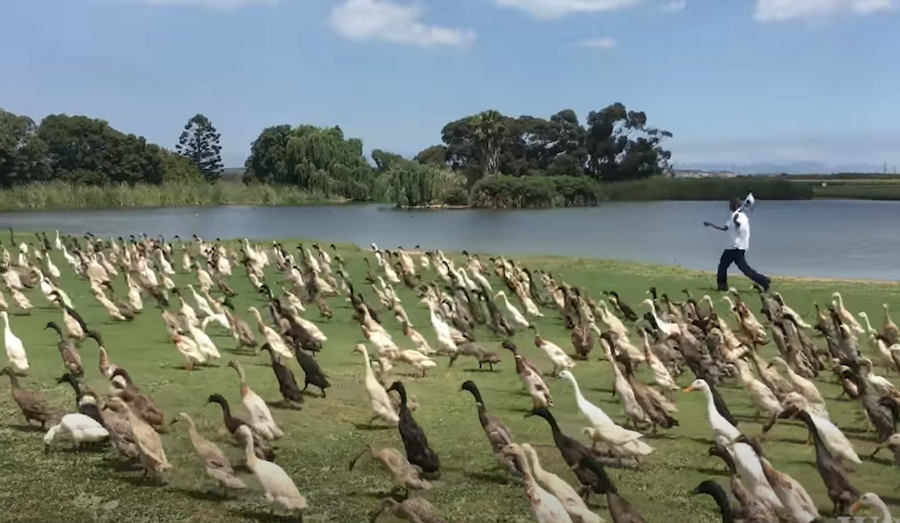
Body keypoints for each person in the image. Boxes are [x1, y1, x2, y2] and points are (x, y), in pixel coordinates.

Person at [703, 197, 770, 292]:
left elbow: (739, 227)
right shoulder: (733, 216)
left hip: (738, 248)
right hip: (733, 248)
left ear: (734, 205)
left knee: (744, 269)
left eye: (731, 204)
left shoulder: (741, 217)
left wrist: (736, 221)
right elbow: (725, 228)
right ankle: (722, 285)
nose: (729, 206)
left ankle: (764, 282)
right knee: (725, 265)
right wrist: (710, 224)